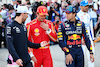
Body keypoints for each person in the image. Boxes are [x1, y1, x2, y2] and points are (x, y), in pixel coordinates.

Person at [77, 1, 95, 67]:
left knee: (91, 56)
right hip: (81, 39)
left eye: (87, 6)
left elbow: (91, 29)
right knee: (82, 57)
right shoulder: (77, 16)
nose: (86, 7)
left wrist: (92, 39)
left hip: (89, 38)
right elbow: (77, 29)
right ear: (80, 6)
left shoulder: (88, 15)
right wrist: (80, 38)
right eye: (85, 6)